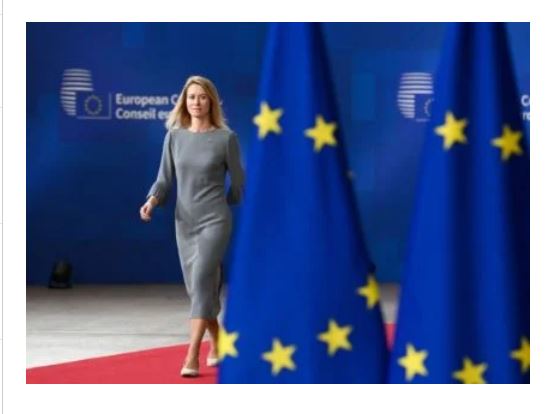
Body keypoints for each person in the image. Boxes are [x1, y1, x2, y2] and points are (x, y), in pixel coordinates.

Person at [139, 75, 245, 377]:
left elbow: (238, 181)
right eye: (191, 97)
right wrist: (152, 201)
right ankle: (219, 342)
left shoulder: (226, 138)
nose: (196, 102)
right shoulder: (174, 137)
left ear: (211, 101)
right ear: (184, 102)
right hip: (184, 222)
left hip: (215, 221)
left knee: (200, 282)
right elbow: (164, 179)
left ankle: (192, 355)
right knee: (198, 289)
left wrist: (227, 200)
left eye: (202, 97)